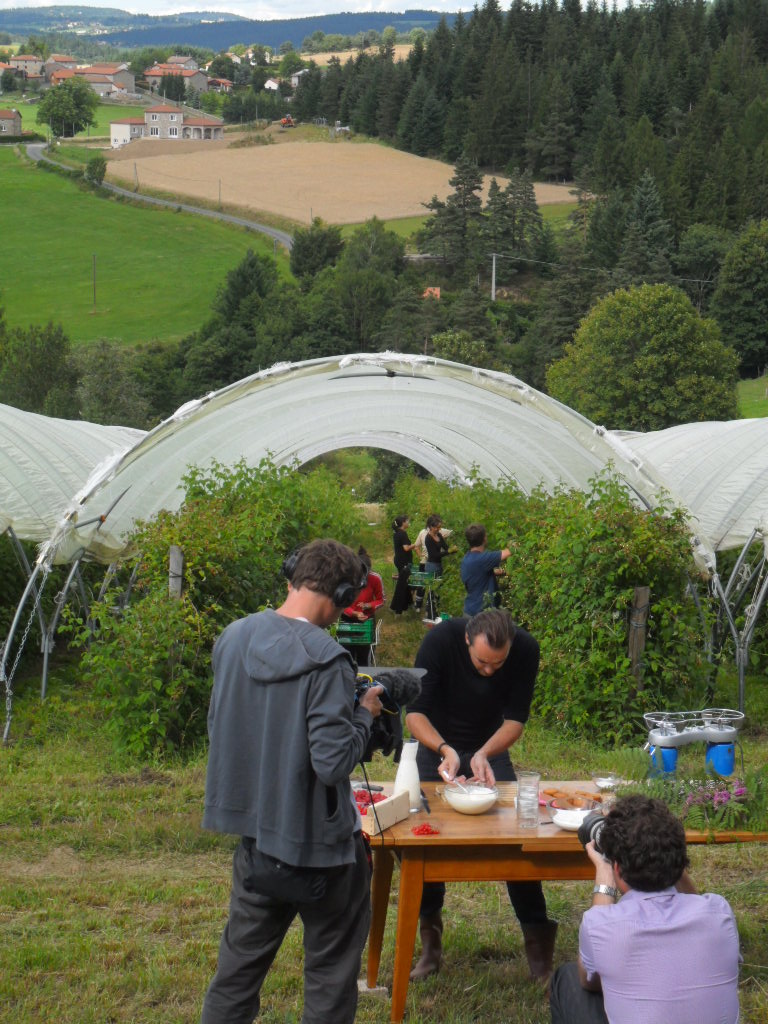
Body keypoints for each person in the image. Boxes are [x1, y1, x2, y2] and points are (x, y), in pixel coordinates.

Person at [200, 539, 384, 1024]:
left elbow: (221, 726)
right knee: (329, 981)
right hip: (324, 856)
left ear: (291, 576)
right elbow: (332, 762)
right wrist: (365, 715)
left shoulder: (234, 636)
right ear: (345, 596)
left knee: (235, 977)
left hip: (258, 844)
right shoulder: (328, 659)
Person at [405, 608, 557, 982]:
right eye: (481, 662)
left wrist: (485, 753)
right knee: (427, 841)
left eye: (498, 664)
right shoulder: (439, 641)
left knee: (517, 839)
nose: (489, 671)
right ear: (467, 641)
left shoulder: (525, 649)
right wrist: (445, 750)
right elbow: (415, 713)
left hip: (490, 747)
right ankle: (431, 947)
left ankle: (539, 954)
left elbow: (516, 718)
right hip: (436, 746)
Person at [549, 795, 741, 1024]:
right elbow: (694, 901)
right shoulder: (719, 913)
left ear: (617, 869)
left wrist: (603, 877)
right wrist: (667, 857)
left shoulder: (601, 926)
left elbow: (588, 981)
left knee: (567, 978)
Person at [340, 546, 385, 666]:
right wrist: (354, 613)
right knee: (347, 656)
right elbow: (340, 603)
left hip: (366, 621)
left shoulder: (375, 578)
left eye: (366, 575)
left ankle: (365, 679)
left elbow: (381, 600)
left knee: (364, 657)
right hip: (347, 621)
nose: (363, 579)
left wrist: (369, 605)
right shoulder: (346, 578)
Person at [460, 523, 511, 616]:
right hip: (481, 615)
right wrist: (517, 543)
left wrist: (499, 572)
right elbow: (509, 552)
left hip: (470, 610)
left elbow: (477, 574)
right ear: (484, 538)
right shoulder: (482, 559)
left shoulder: (467, 559)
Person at [390, 514, 416, 615]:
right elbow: (406, 548)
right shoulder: (402, 533)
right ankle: (397, 607)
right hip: (403, 562)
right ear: (403, 523)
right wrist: (415, 545)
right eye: (408, 521)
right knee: (402, 584)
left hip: (399, 560)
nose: (409, 523)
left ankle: (408, 604)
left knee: (405, 582)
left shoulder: (397, 533)